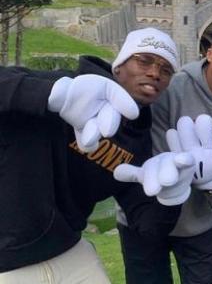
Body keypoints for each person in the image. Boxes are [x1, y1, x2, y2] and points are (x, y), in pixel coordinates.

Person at [0, 28, 182, 283]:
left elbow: (148, 225)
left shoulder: (140, 143)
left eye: (166, 70)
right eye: (144, 61)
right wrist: (52, 96)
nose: (155, 73)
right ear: (119, 66)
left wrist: (172, 196)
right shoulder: (64, 84)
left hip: (68, 251)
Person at [116, 18, 212, 284]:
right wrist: (193, 168)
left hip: (198, 225)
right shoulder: (172, 88)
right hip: (142, 219)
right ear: (209, 53)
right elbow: (150, 149)